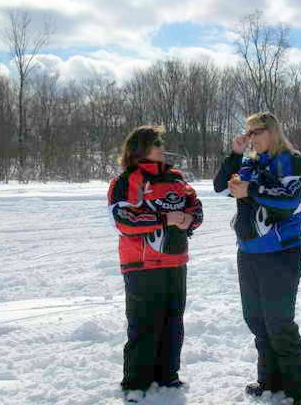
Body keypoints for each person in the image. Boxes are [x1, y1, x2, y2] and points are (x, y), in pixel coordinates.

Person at [213, 112, 301, 405]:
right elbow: (220, 186)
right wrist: (234, 154)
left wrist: (251, 189)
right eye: (249, 132)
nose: (252, 137)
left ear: (272, 131)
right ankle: (270, 380)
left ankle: (297, 389)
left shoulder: (291, 160)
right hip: (249, 251)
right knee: (256, 319)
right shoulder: (251, 162)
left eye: (257, 132)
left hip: (282, 252)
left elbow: (295, 199)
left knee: (279, 322)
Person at [107, 126, 203, 404]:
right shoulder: (126, 180)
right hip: (142, 263)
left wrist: (189, 219)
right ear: (141, 148)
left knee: (173, 321)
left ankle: (168, 376)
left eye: (162, 142)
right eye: (156, 143)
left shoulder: (176, 178)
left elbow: (195, 206)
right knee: (144, 324)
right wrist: (166, 219)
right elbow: (123, 219)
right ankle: (136, 384)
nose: (162, 146)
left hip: (175, 260)